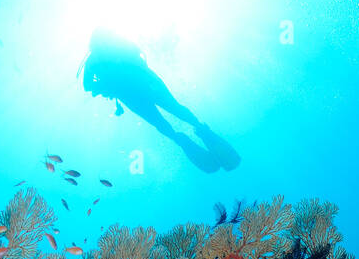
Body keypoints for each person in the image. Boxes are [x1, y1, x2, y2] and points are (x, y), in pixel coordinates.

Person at [80, 29, 240, 172]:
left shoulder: (94, 59)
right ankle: (197, 130)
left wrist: (104, 86)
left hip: (134, 92)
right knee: (173, 110)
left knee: (163, 118)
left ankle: (183, 137)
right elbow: (137, 53)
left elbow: (88, 86)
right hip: (146, 83)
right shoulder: (108, 51)